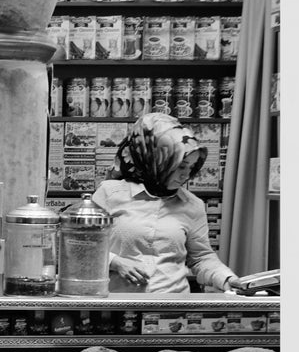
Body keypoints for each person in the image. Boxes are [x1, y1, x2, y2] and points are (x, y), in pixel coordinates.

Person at [92, 112, 249, 295]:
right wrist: (116, 262)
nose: (186, 175)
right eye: (180, 166)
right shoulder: (109, 193)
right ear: (156, 158)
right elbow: (81, 247)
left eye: (191, 167)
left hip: (172, 308)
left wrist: (227, 279)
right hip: (116, 305)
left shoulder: (193, 204)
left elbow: (201, 258)